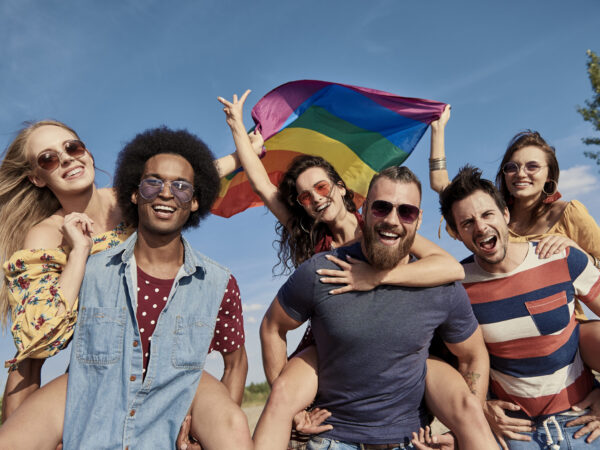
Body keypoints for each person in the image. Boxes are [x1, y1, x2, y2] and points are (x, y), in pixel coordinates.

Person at [219, 91, 497, 449]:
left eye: (321, 187)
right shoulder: (313, 245)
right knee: (287, 404)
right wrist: (238, 130)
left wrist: (375, 276)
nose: (316, 198)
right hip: (328, 338)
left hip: (392, 336)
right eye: (305, 196)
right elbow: (260, 182)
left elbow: (447, 266)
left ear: (341, 187)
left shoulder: (382, 225)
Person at [0, 124, 250, 449]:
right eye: (48, 158)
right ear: (36, 176)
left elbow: (181, 177)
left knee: (231, 424)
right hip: (98, 358)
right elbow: (37, 339)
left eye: (72, 147)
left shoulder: (133, 195)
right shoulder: (46, 236)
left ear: (87, 152)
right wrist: (78, 253)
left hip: (165, 355)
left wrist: (242, 151)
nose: (66, 159)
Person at [260, 165, 492, 449]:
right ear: (366, 209)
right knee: (282, 395)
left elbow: (472, 354)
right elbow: (272, 327)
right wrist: (293, 408)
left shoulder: (439, 283)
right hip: (333, 436)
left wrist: (467, 425)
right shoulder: (322, 269)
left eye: (406, 212)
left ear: (418, 221)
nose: (393, 219)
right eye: (382, 208)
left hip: (411, 440)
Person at [439, 165, 600, 450]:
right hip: (515, 435)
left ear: (505, 214)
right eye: (467, 223)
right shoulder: (458, 287)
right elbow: (464, 360)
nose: (481, 227)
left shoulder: (560, 256)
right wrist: (483, 406)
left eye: (488, 214)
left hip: (585, 423)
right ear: (456, 233)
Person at [430, 110, 600, 372]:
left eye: (532, 166)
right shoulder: (490, 220)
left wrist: (579, 254)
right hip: (505, 335)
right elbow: (442, 185)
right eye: (512, 167)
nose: (521, 173)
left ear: (549, 176)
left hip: (564, 329)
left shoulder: (569, 213)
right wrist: (438, 129)